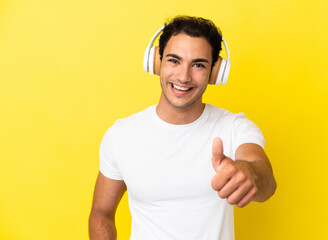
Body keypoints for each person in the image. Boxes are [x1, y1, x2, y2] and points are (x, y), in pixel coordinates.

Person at [89, 16, 276, 240]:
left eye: (198, 65)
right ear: (157, 62)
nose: (184, 76)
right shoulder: (121, 135)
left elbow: (266, 181)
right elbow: (101, 212)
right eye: (174, 61)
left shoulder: (234, 128)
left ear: (215, 72)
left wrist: (250, 173)